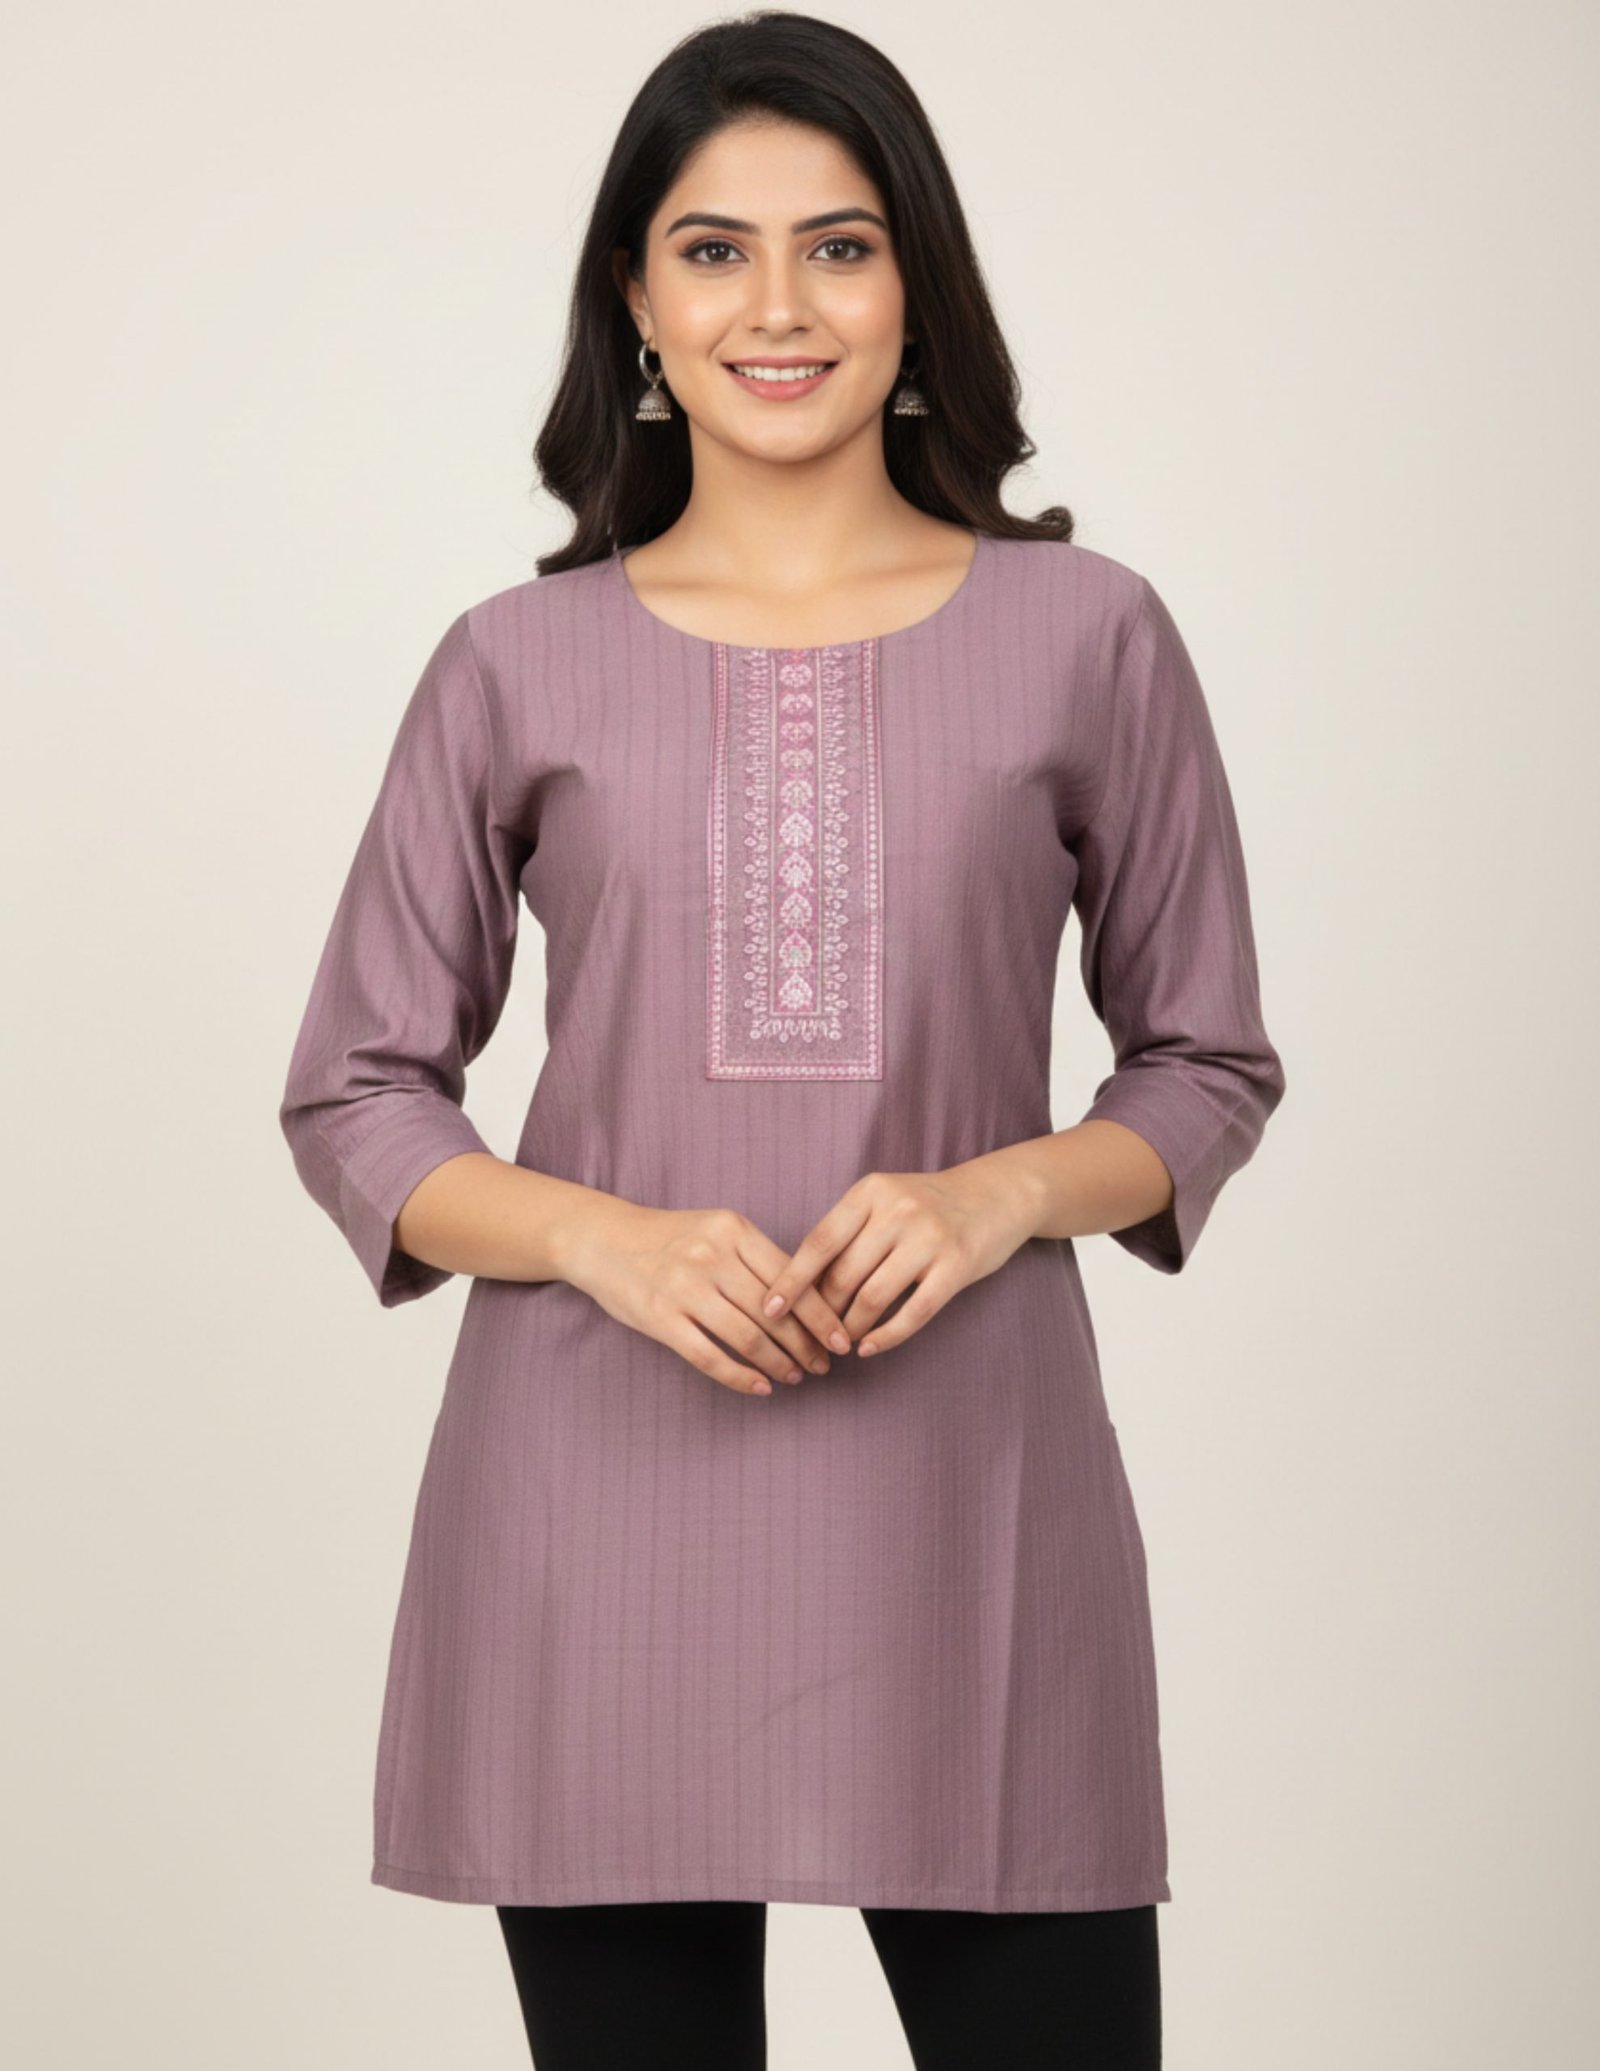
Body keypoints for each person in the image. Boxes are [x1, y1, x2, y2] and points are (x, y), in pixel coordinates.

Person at [278, 12, 1286, 2067]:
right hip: (599, 1502)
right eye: (713, 250)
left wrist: (1002, 1192)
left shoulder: (1087, 634)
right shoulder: (513, 664)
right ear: (637, 303)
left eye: (838, 246)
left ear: (916, 287)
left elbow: (1205, 1061)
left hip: (970, 1504)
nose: (778, 306)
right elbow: (357, 1091)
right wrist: (601, 1239)